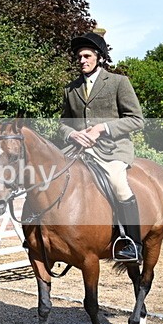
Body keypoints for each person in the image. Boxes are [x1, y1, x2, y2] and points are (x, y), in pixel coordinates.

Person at [58, 32, 144, 261]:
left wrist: (102, 128)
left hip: (112, 149)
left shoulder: (118, 82)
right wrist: (72, 134)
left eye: (86, 56)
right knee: (51, 175)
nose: (82, 60)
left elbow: (136, 119)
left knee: (119, 184)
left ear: (99, 57)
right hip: (78, 150)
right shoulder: (71, 89)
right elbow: (63, 124)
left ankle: (132, 244)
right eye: (78, 57)